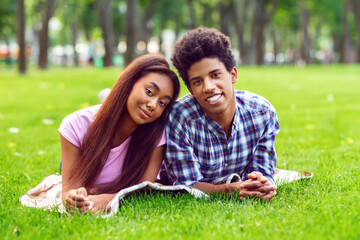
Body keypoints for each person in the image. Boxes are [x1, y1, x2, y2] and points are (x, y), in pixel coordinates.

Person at [159, 27, 280, 201]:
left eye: (215, 75)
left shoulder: (263, 113)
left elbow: (262, 172)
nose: (208, 87)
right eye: (197, 81)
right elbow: (188, 186)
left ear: (233, 74)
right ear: (190, 90)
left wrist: (262, 185)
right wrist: (233, 189)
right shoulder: (179, 118)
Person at [59, 54, 180, 213]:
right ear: (129, 83)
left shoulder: (157, 136)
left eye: (162, 102)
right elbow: (69, 191)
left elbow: (141, 191)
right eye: (149, 92)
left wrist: (103, 200)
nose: (153, 105)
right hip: (86, 151)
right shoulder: (75, 125)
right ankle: (108, 99)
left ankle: (108, 97)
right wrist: (74, 197)